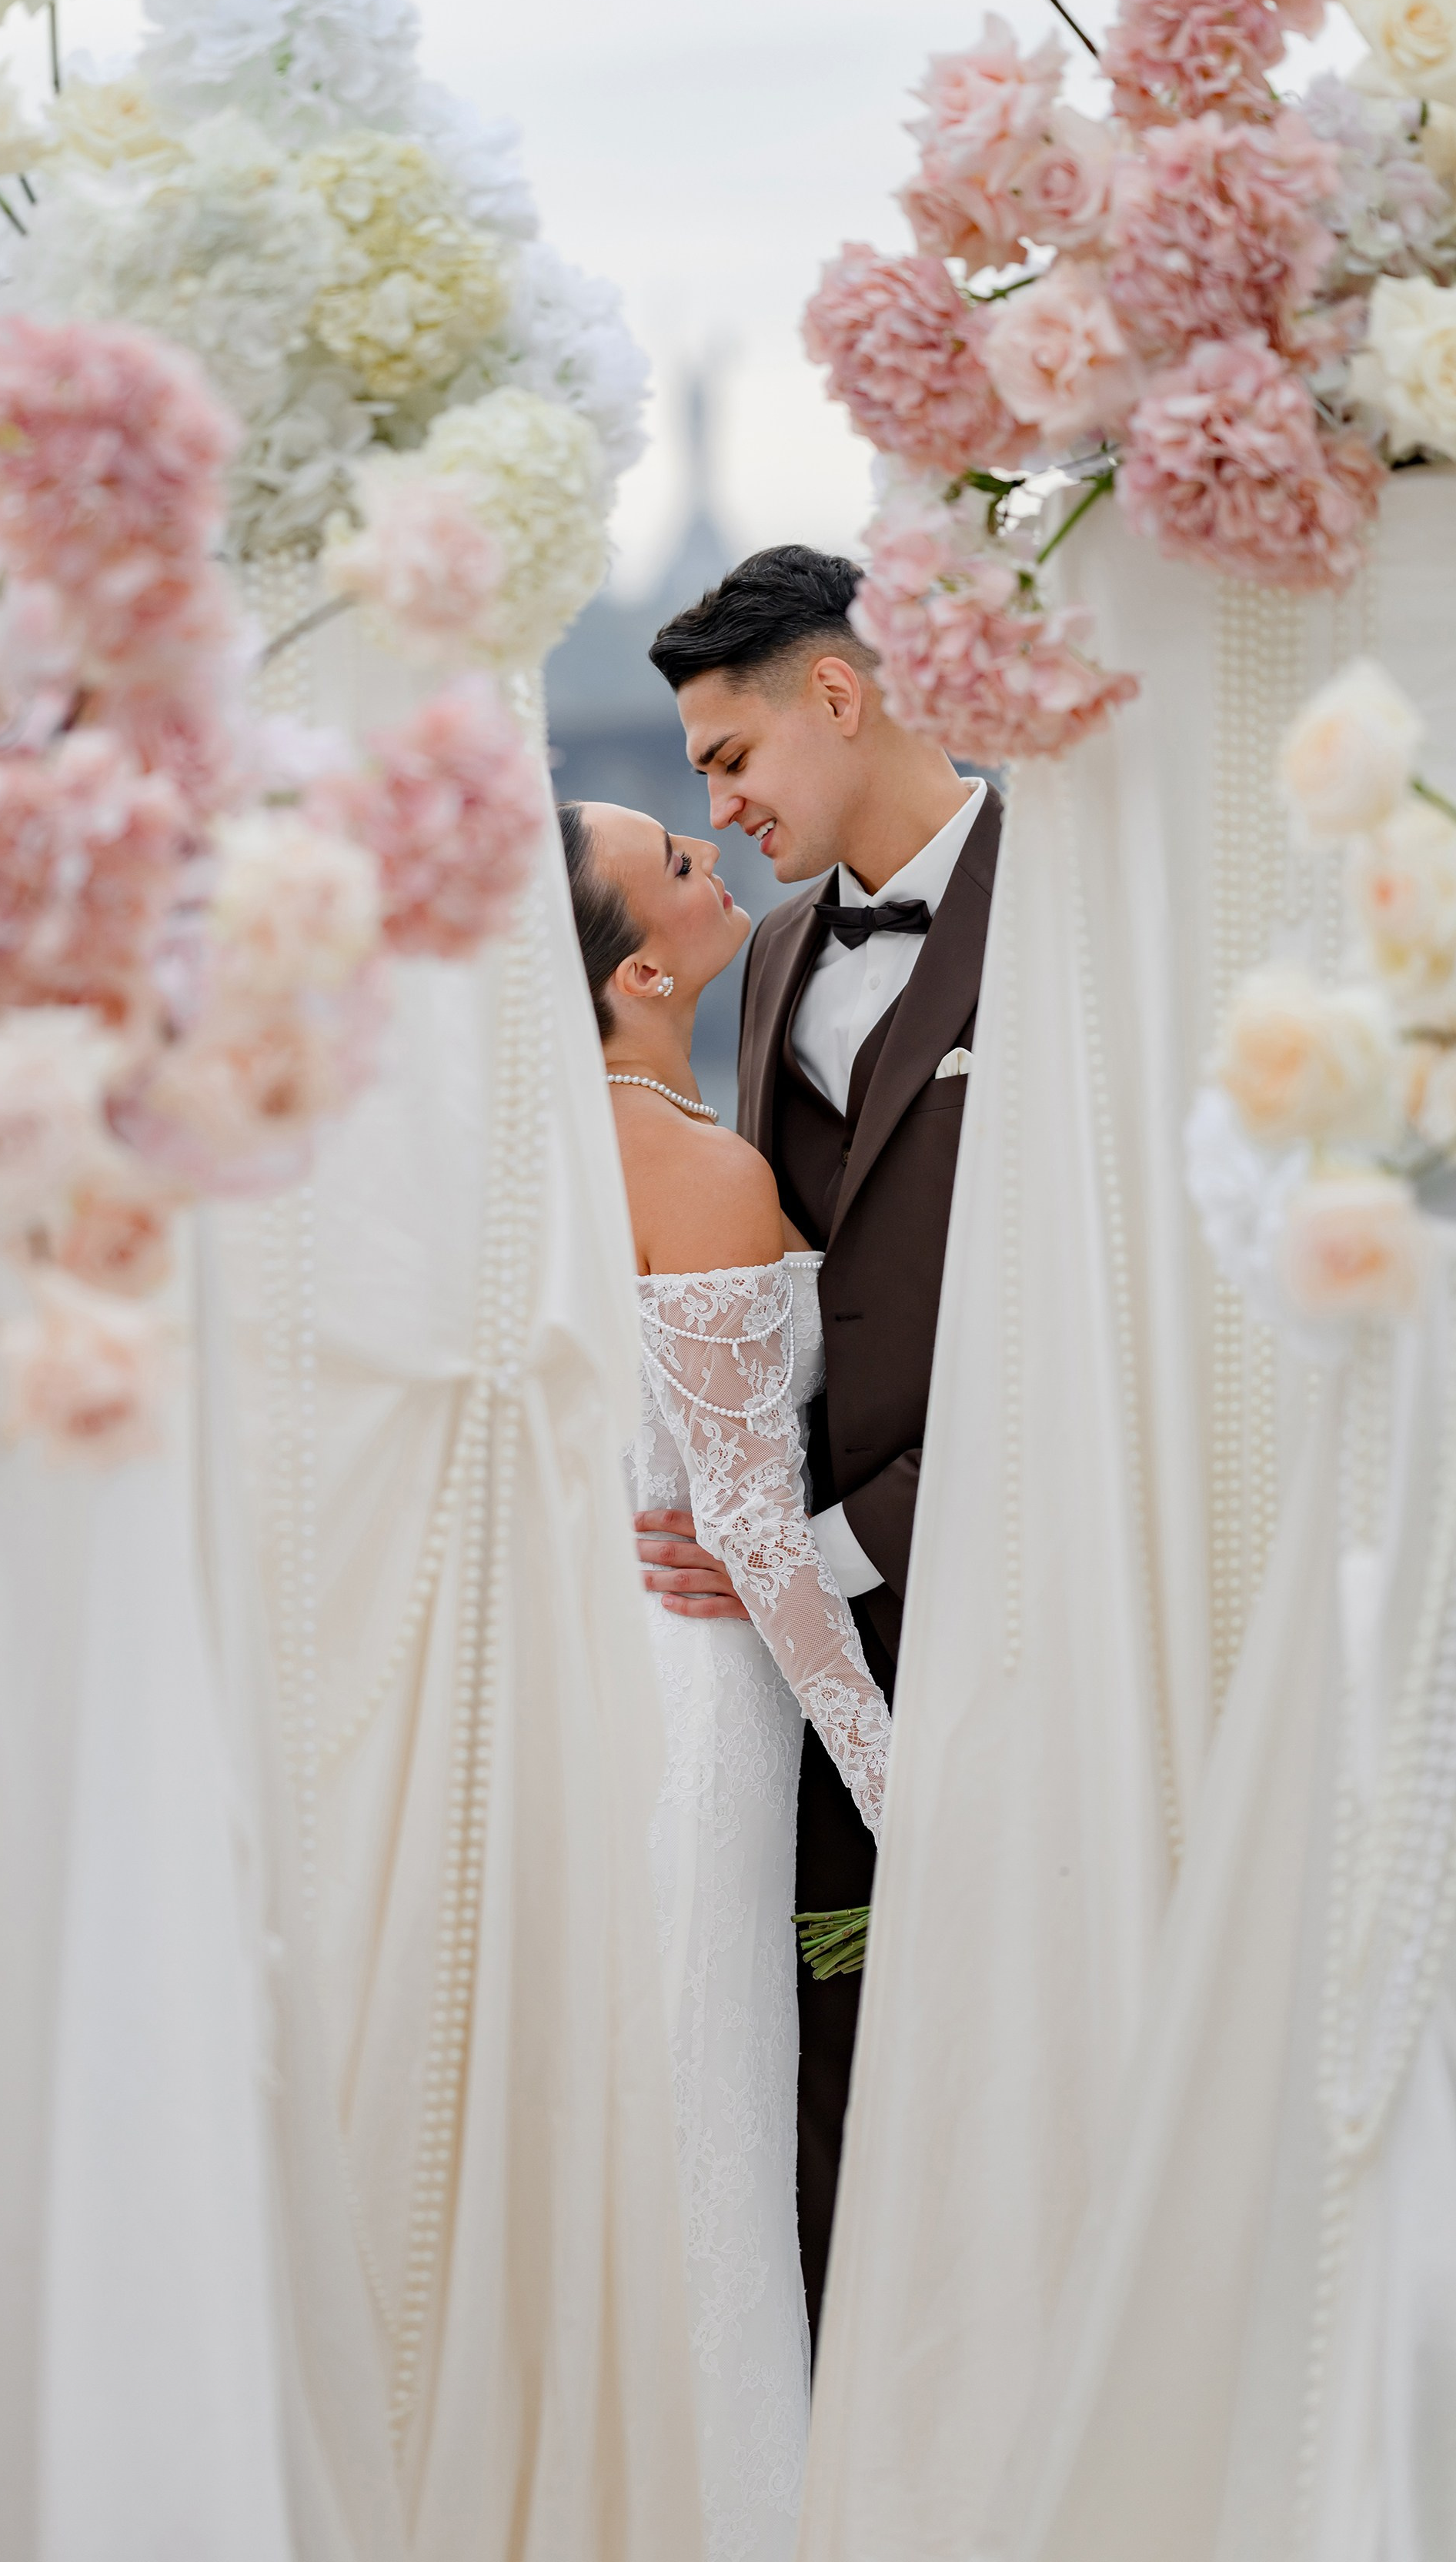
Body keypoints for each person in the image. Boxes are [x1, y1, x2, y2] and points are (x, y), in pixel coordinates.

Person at [639, 544, 1001, 2334]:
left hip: (1016, 1585)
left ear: (838, 695)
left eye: (728, 758)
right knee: (830, 2068)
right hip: (804, 1662)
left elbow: (1066, 1316)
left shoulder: (1072, 914)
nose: (719, 803)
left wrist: (831, 1542)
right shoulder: (773, 955)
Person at [559, 798, 890, 2562]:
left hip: (618, 1671)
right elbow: (760, 1538)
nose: (711, 847)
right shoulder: (696, 1167)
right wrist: (910, 1787)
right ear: (636, 969)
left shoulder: (553, 1153)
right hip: (711, 1694)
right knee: (713, 2122)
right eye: (676, 865)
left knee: (662, 2110)